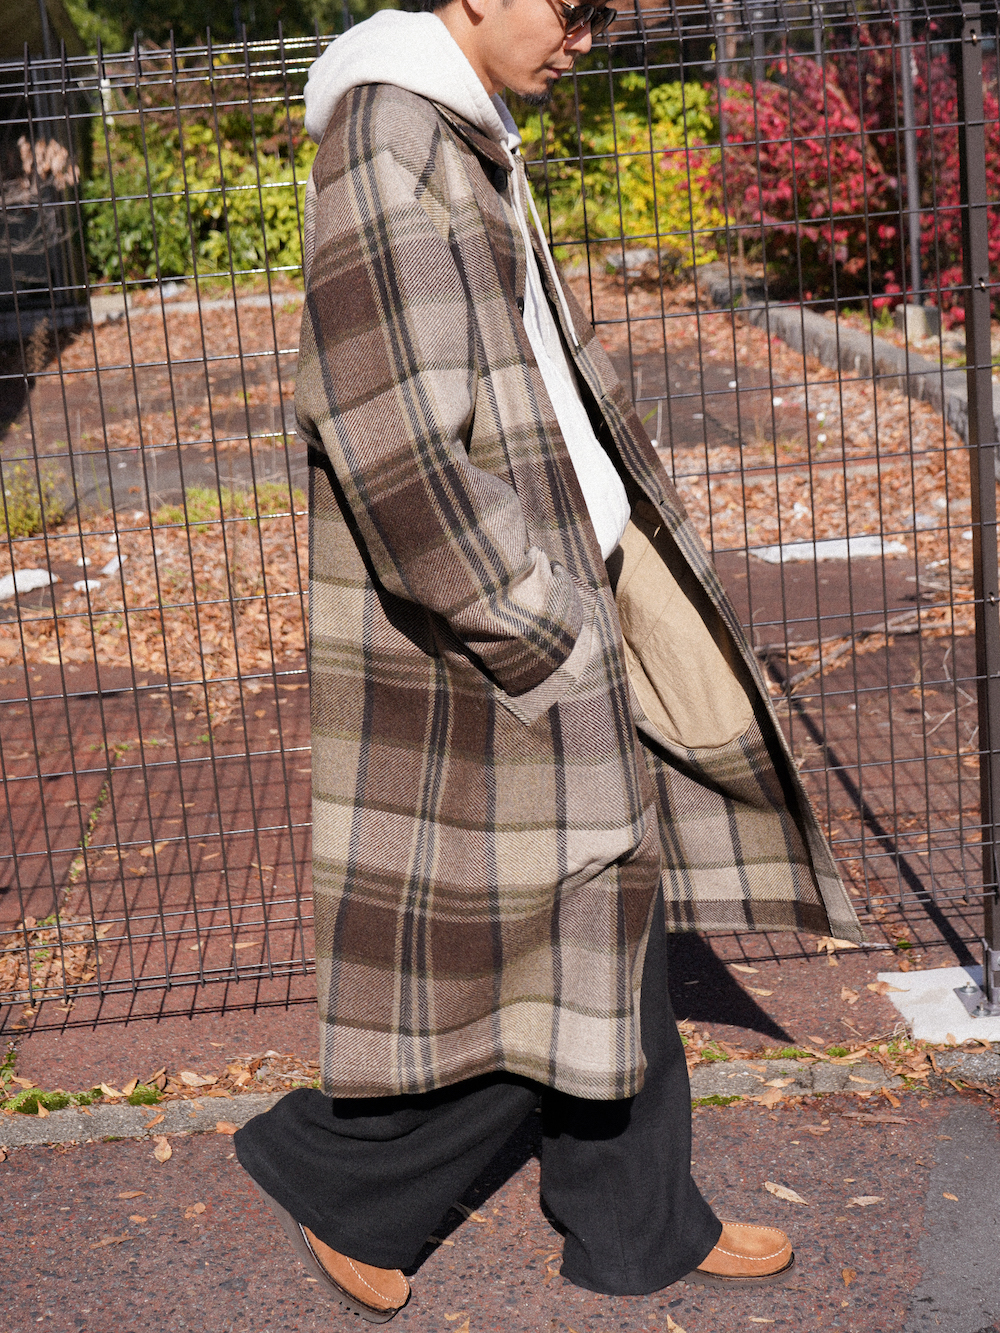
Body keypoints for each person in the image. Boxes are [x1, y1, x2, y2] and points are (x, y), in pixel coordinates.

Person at [234, 0, 861, 1321]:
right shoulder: (391, 134)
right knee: (566, 914)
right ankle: (343, 1174)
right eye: (575, 7)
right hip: (506, 608)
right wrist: (533, 621)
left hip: (566, 574)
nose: (587, 36)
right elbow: (390, 432)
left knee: (607, 897)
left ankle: (635, 1219)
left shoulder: (459, 123)